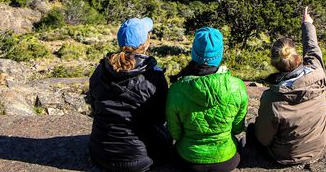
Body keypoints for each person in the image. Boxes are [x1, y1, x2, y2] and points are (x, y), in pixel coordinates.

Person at [88, 17, 170, 172]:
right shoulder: (153, 76)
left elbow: (94, 105)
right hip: (139, 159)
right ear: (145, 43)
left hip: (100, 153)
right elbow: (160, 117)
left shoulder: (100, 71)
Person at [166, 27, 249, 172]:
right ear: (220, 54)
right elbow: (237, 128)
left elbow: (175, 134)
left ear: (194, 53)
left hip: (188, 159)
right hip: (227, 159)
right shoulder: (237, 86)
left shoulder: (177, 89)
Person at [252, 7, 326, 165]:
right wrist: (307, 24)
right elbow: (313, 50)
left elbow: (263, 139)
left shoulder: (273, 98)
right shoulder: (318, 74)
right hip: (317, 148)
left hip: (284, 156)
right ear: (299, 59)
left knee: (252, 131)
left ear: (274, 64)